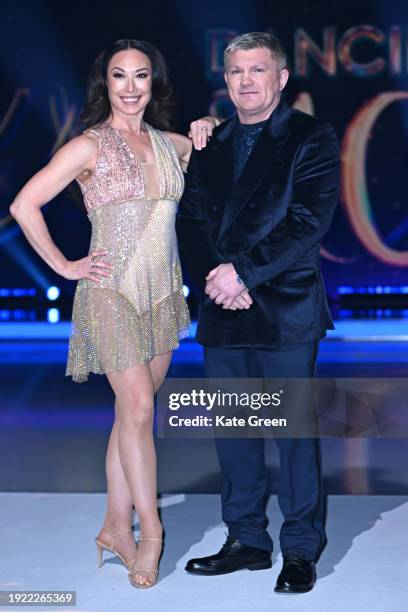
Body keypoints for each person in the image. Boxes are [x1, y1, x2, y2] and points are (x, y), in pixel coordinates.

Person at [9, 39, 216, 589]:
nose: (130, 87)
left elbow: (212, 138)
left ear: (154, 82)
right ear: (106, 84)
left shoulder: (169, 143)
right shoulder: (89, 146)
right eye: (119, 76)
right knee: (141, 410)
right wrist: (63, 265)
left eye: (140, 76)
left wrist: (207, 124)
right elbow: (23, 204)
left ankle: (111, 527)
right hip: (112, 294)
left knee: (131, 415)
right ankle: (151, 534)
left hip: (164, 295)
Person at [176, 32, 340, 593]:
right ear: (226, 81)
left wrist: (243, 273)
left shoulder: (309, 136)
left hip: (286, 307)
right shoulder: (210, 141)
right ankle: (246, 540)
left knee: (293, 433)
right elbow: (190, 222)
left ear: (281, 78)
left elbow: (308, 221)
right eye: (236, 72)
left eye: (258, 70)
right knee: (235, 431)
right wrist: (218, 281)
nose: (246, 81)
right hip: (223, 308)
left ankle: (300, 548)